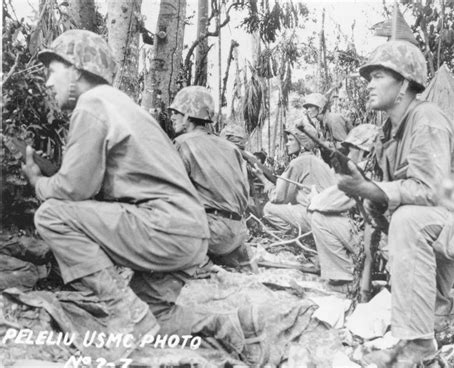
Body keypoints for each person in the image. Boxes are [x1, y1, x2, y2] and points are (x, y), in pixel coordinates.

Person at [22, 30, 267, 365]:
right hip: (191, 235)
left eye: (53, 71)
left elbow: (73, 191)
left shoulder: (91, 104)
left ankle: (127, 316)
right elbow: (95, 184)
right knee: (157, 315)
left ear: (76, 69)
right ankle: (231, 325)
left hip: (163, 229)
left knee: (51, 214)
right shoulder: (124, 105)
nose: (49, 83)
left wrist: (37, 181)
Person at [337, 39, 454, 367]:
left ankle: (419, 346)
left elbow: (431, 190)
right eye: (369, 77)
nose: (369, 84)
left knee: (408, 220)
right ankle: (433, 323)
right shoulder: (390, 133)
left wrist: (374, 191)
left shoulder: (426, 117)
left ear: (404, 85)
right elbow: (389, 201)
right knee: (436, 312)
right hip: (442, 225)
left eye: (379, 76)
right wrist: (370, 197)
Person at [170, 87, 252, 269]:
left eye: (176, 112)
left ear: (188, 115)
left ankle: (201, 263)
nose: (172, 117)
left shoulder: (183, 143)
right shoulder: (231, 148)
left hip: (212, 234)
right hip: (238, 232)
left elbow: (169, 192)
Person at [308, 124, 379, 294]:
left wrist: (312, 198)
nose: (347, 155)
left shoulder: (365, 174)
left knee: (319, 218)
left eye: (350, 150)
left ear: (362, 152)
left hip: (380, 247)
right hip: (391, 244)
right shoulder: (381, 170)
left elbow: (319, 204)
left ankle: (346, 278)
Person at [257, 125, 336, 234]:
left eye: (290, 140)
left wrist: (263, 180)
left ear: (302, 144)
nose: (287, 143)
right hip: (332, 219)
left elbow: (279, 198)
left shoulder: (298, 162)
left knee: (268, 208)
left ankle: (290, 234)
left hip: (315, 219)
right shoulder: (320, 162)